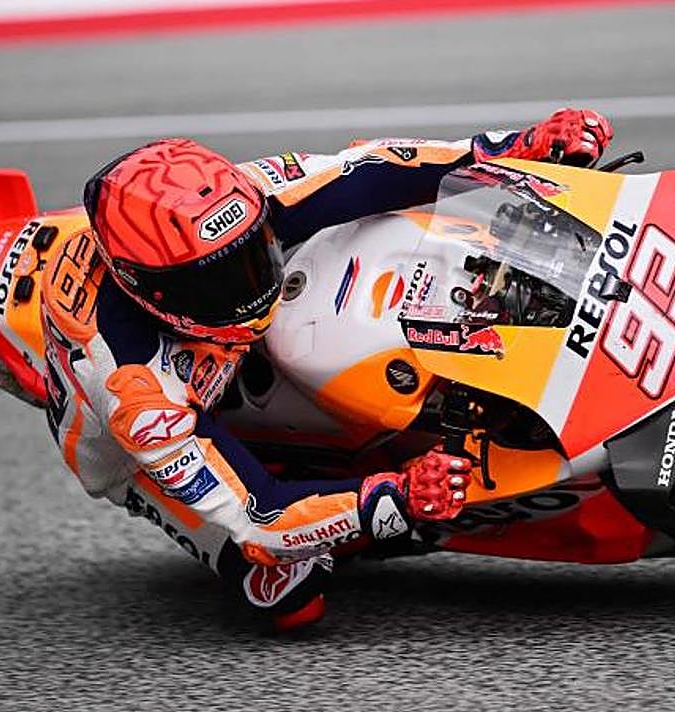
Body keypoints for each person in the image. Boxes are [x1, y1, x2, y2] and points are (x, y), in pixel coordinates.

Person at [40, 108, 613, 630]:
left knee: (389, 222)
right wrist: (391, 497)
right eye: (222, 278)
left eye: (254, 250)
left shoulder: (235, 199)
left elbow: (365, 168)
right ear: (150, 291)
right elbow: (260, 514)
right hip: (132, 443)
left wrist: (509, 146)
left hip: (220, 344)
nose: (251, 281)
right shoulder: (136, 391)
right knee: (288, 588)